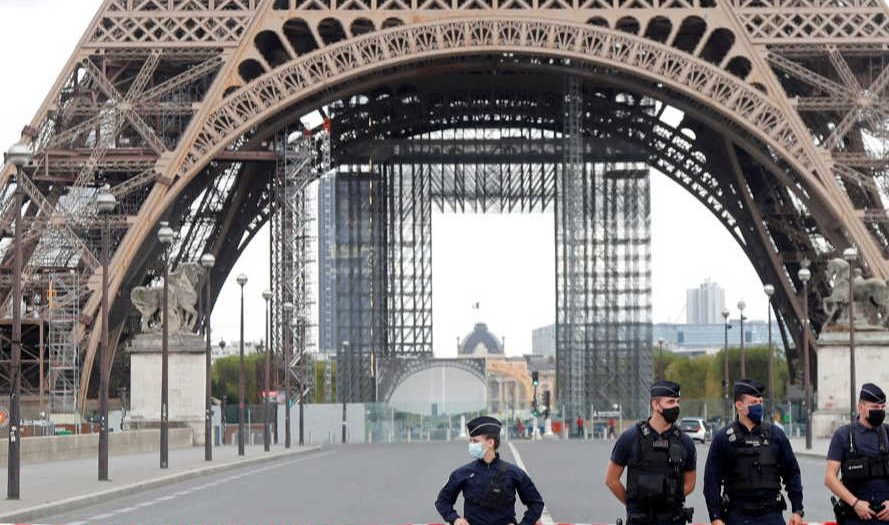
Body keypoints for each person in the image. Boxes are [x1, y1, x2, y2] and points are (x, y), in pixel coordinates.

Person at [704, 379, 804, 525]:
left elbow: (792, 473)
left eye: (760, 402)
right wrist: (716, 517)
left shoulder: (776, 435)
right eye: (753, 403)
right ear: (739, 405)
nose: (758, 406)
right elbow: (711, 482)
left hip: (771, 515)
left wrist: (797, 510)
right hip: (736, 515)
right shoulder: (723, 439)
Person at [605, 380, 697, 525]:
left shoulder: (685, 442)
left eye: (678, 401)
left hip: (672, 519)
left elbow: (690, 483)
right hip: (640, 519)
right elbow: (611, 480)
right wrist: (634, 503)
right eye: (671, 401)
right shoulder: (630, 438)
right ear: (655, 405)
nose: (676, 406)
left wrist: (668, 498)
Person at [435, 416, 544, 525]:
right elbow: (442, 501)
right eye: (471, 441)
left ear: (490, 442)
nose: (471, 445)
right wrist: (455, 519)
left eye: (475, 441)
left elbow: (536, 503)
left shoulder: (514, 473)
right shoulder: (462, 473)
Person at [825, 383, 889, 524]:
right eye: (875, 407)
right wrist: (855, 503)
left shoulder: (888, 433)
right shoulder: (843, 435)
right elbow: (830, 478)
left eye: (882, 407)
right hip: (855, 517)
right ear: (861, 407)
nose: (880, 411)